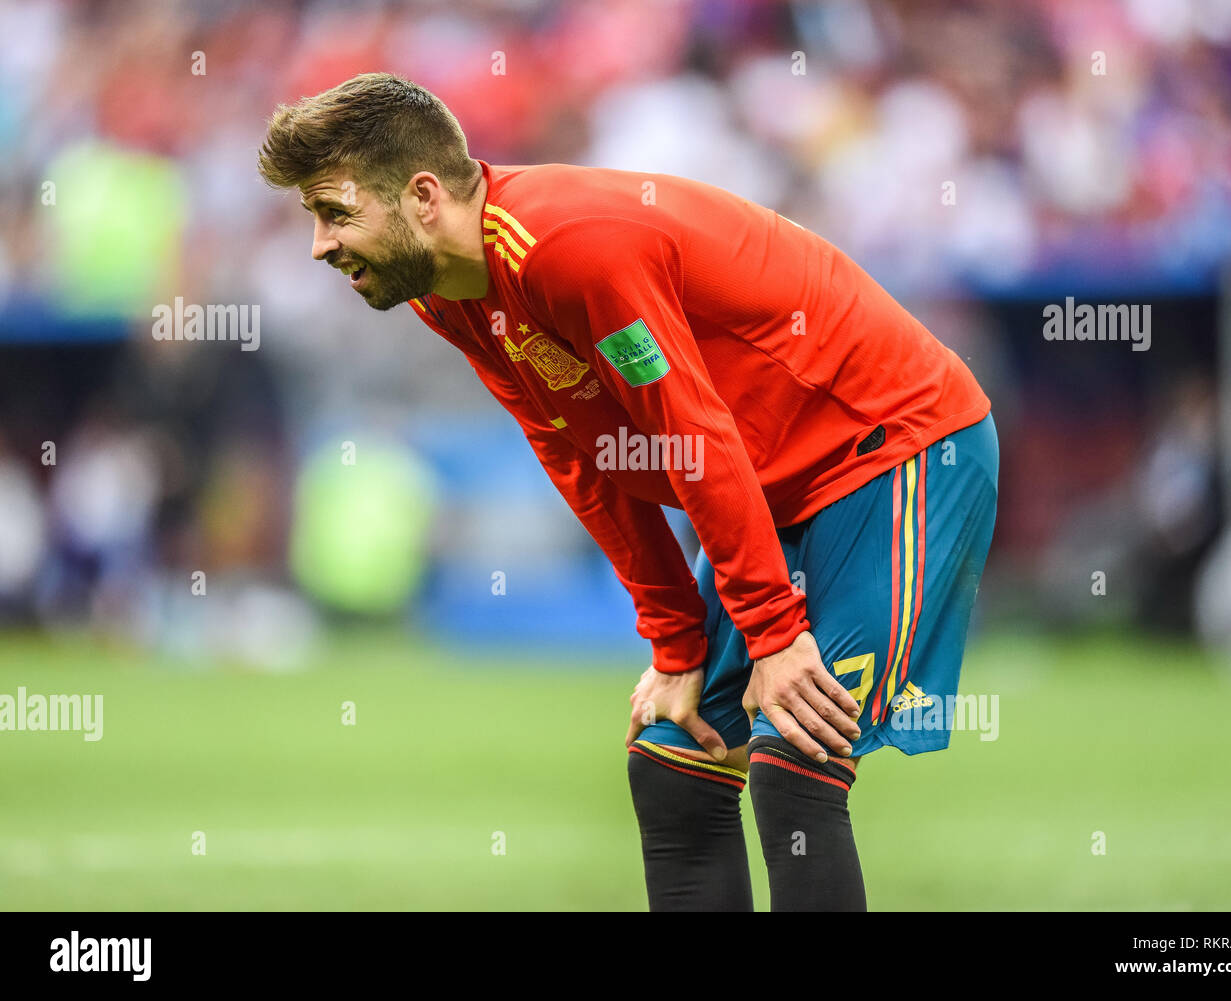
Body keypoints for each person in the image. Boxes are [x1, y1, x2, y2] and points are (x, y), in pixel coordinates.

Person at [258, 72, 998, 911]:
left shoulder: (571, 249)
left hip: (898, 445)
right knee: (672, 760)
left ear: (424, 196)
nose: (319, 244)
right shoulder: (451, 295)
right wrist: (677, 643)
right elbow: (578, 453)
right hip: (775, 488)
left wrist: (774, 632)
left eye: (335, 212)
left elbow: (695, 436)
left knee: (796, 754)